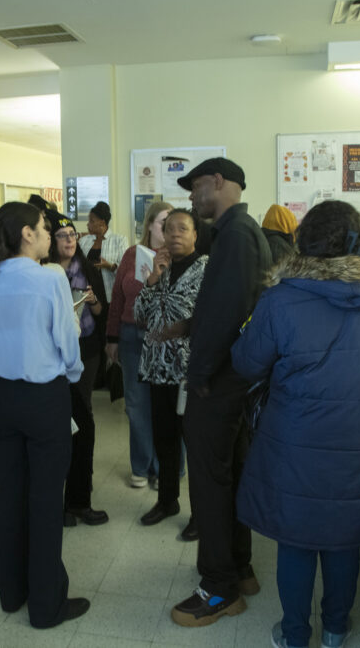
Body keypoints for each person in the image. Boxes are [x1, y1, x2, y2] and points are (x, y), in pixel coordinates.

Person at [231, 200, 360, 648]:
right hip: (358, 441)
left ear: (302, 244)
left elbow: (248, 364)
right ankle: (335, 629)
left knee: (297, 538)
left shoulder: (280, 298)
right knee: (342, 539)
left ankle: (293, 635)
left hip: (294, 441)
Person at [0, 202, 90, 629]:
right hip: (43, 397)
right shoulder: (50, 279)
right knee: (44, 500)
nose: (48, 235)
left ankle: (12, 591)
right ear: (26, 233)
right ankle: (45, 605)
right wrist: (71, 376)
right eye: (44, 229)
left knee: (9, 494)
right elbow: (67, 343)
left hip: (0, 396)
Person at [170, 157, 272, 627]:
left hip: (220, 381)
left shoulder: (235, 234)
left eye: (194, 188)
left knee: (210, 485)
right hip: (233, 379)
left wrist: (201, 373)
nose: (191, 198)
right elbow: (227, 304)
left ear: (217, 182)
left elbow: (230, 311)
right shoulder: (239, 232)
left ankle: (218, 588)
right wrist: (188, 326)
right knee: (228, 474)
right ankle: (239, 568)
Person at [133, 208, 207, 529]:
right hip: (157, 369)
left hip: (189, 372)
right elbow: (138, 313)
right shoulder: (157, 267)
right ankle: (167, 501)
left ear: (194, 236)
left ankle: (201, 513)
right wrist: (152, 280)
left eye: (183, 229)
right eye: (169, 228)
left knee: (195, 443)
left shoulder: (208, 269)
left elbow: (214, 316)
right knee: (164, 439)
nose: (175, 234)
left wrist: (187, 327)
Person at [48, 212, 111, 526]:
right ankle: (60, 503)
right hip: (53, 358)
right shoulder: (44, 274)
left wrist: (91, 299)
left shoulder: (85, 268)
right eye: (63, 236)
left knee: (82, 423)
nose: (70, 240)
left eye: (73, 235)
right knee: (60, 429)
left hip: (85, 353)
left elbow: (100, 311)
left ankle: (78, 501)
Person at [106, 201, 173, 489]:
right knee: (136, 404)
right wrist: (111, 338)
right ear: (149, 225)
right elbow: (118, 299)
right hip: (131, 334)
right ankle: (141, 465)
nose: (168, 229)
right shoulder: (133, 254)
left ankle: (162, 467)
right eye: (163, 223)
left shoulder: (179, 256)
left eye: (173, 224)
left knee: (163, 405)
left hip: (163, 338)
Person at [79, 201, 128, 303]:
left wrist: (110, 266)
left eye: (92, 221)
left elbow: (126, 270)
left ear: (102, 222)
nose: (88, 224)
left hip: (110, 295)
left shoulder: (119, 240)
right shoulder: (83, 241)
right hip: (88, 294)